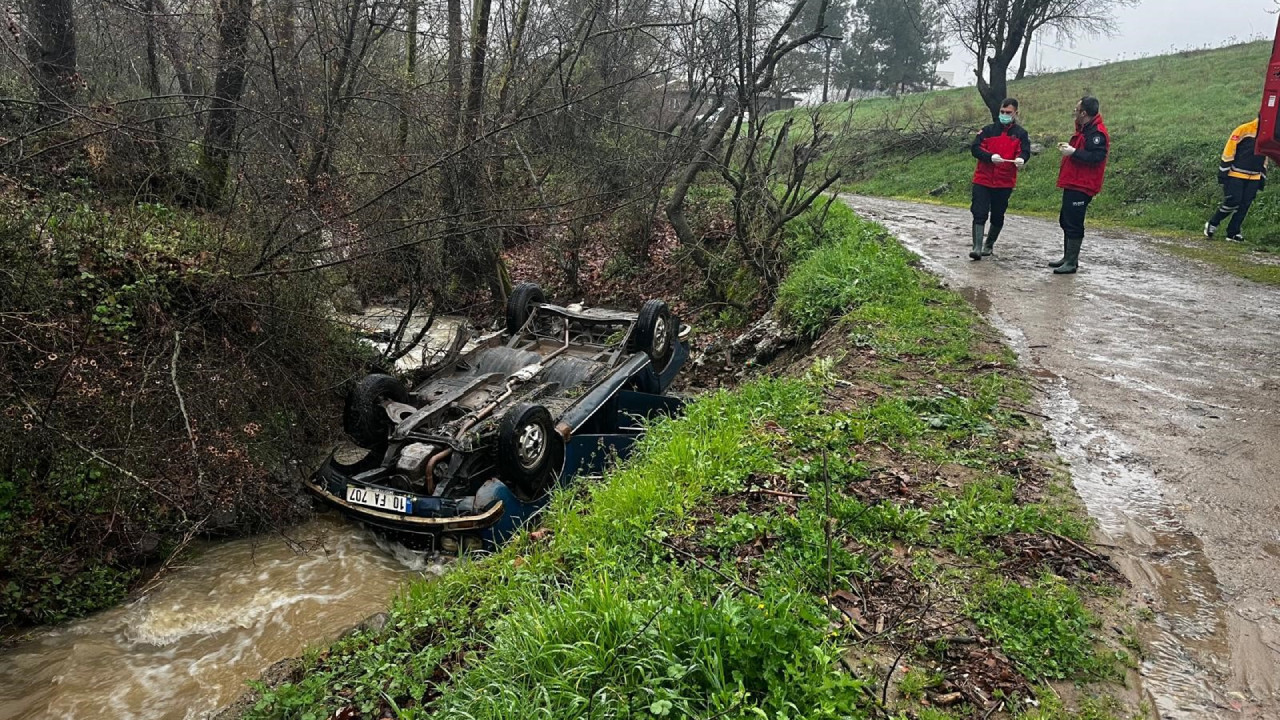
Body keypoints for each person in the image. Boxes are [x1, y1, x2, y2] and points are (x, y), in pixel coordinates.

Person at [1050, 96, 1110, 274]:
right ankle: (1068, 257)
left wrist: (1074, 152)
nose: (1074, 113)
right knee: (1065, 219)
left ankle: (1071, 262)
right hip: (1073, 182)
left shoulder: (1096, 133)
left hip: (1083, 184)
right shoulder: (1084, 130)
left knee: (1074, 222)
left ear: (1084, 113)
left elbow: (1096, 157)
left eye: (1077, 110)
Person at [968, 98, 1032, 260]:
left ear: (1016, 113)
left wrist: (1021, 159)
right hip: (983, 179)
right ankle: (976, 247)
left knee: (997, 215)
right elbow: (975, 149)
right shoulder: (987, 130)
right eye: (1002, 112)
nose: (1004, 115)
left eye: (1008, 113)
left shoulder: (1021, 134)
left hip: (1004, 181)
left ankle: (989, 244)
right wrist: (989, 157)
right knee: (979, 212)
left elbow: (1025, 151)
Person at [1205, 117, 1267, 242]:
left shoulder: (1268, 135)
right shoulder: (1244, 129)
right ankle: (1213, 223)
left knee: (1245, 205)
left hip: (1255, 176)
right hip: (1236, 174)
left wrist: (1262, 177)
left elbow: (1266, 156)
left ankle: (1233, 232)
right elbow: (1229, 149)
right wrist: (1223, 171)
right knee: (1233, 201)